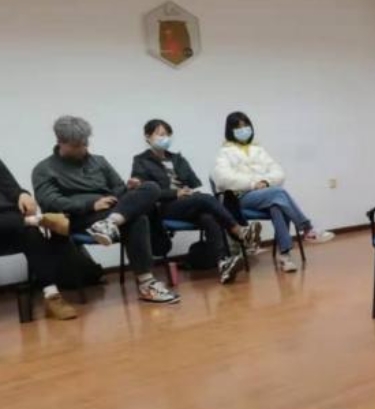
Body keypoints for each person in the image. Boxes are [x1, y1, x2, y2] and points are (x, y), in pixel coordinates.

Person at [32, 116, 180, 304]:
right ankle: (147, 284)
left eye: (85, 143)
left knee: (151, 187)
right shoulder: (44, 169)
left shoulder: (99, 161)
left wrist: (127, 190)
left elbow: (118, 187)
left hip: (113, 211)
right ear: (60, 142)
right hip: (79, 217)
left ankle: (110, 223)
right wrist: (91, 204)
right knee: (138, 218)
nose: (83, 149)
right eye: (76, 145)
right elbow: (49, 202)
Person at [131, 119, 254, 285]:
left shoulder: (178, 159)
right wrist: (175, 193)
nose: (165, 138)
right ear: (147, 137)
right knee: (205, 199)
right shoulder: (141, 161)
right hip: (165, 206)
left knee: (208, 217)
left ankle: (223, 263)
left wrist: (188, 190)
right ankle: (238, 230)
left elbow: (195, 182)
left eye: (168, 134)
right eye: (160, 134)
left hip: (189, 203)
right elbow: (145, 192)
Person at [211, 112, 334, 273]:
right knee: (279, 193)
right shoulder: (224, 152)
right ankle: (307, 228)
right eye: (239, 127)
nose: (243, 130)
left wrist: (266, 182)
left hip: (266, 194)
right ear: (230, 130)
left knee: (277, 205)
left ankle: (285, 256)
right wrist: (253, 184)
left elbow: (279, 172)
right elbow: (222, 179)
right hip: (240, 198)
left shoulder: (258, 149)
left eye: (246, 126)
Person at [0, 159, 78, 319]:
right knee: (27, 225)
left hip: (10, 222)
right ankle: (39, 220)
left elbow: (11, 187)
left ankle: (52, 296)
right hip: (11, 223)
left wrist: (22, 195)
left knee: (31, 234)